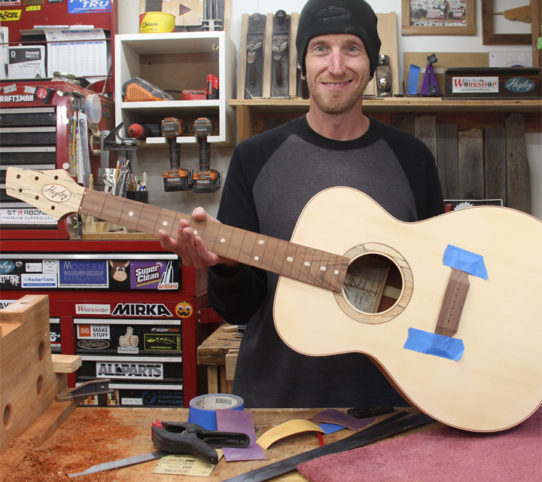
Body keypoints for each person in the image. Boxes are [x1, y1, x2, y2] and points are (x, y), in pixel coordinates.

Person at [159, 0, 444, 408]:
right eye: (320, 48)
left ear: (370, 61)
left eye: (351, 48)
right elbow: (238, 310)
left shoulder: (412, 158)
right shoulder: (254, 158)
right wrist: (225, 266)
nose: (336, 66)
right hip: (279, 401)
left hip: (394, 402)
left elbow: (437, 285)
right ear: (302, 63)